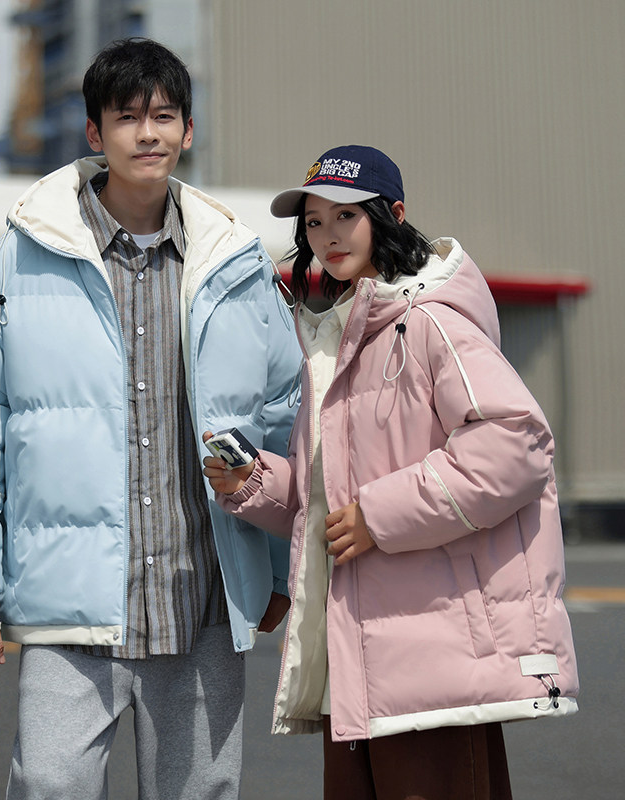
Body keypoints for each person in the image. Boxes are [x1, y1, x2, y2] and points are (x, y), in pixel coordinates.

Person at [0, 38, 301, 800]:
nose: (148, 133)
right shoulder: (15, 262)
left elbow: (282, 418)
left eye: (164, 116)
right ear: (95, 133)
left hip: (201, 601)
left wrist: (277, 570)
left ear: (188, 129)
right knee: (51, 786)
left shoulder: (236, 265)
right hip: (69, 609)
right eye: (128, 118)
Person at [203, 144, 579, 799]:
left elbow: (516, 443)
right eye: (314, 222)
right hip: (362, 668)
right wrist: (252, 482)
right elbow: (330, 504)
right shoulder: (336, 341)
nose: (327, 236)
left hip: (437, 667)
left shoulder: (431, 322)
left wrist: (379, 517)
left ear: (393, 215)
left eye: (345, 216)